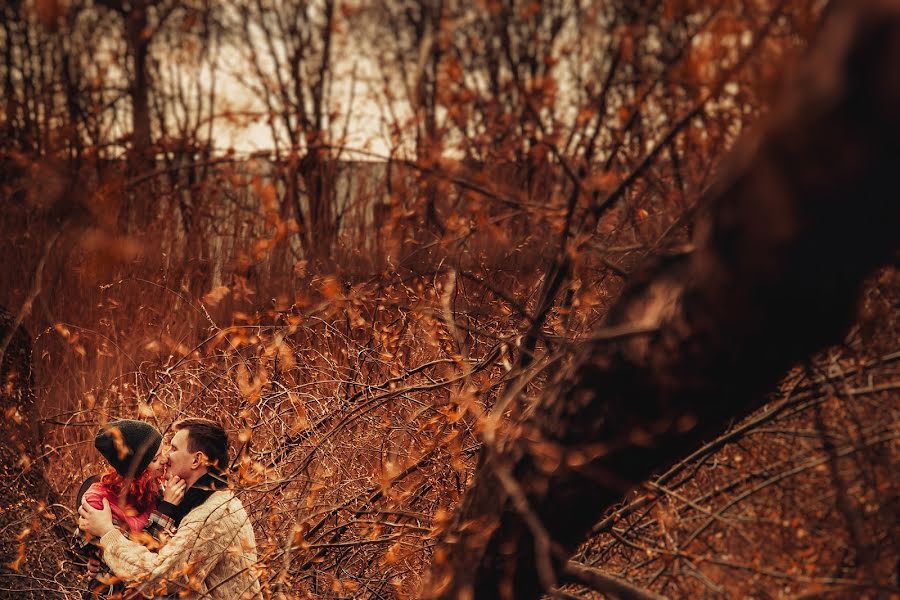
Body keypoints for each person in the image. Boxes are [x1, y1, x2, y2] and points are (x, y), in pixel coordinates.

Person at [79, 418, 262, 599]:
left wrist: (107, 534)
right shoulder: (199, 501)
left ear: (196, 460)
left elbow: (158, 577)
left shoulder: (212, 515)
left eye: (174, 449)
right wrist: (102, 559)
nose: (166, 457)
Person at [75, 419, 187, 598]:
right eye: (155, 459)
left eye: (163, 451)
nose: (165, 460)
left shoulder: (155, 488)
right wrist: (166, 510)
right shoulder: (99, 500)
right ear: (138, 470)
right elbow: (134, 561)